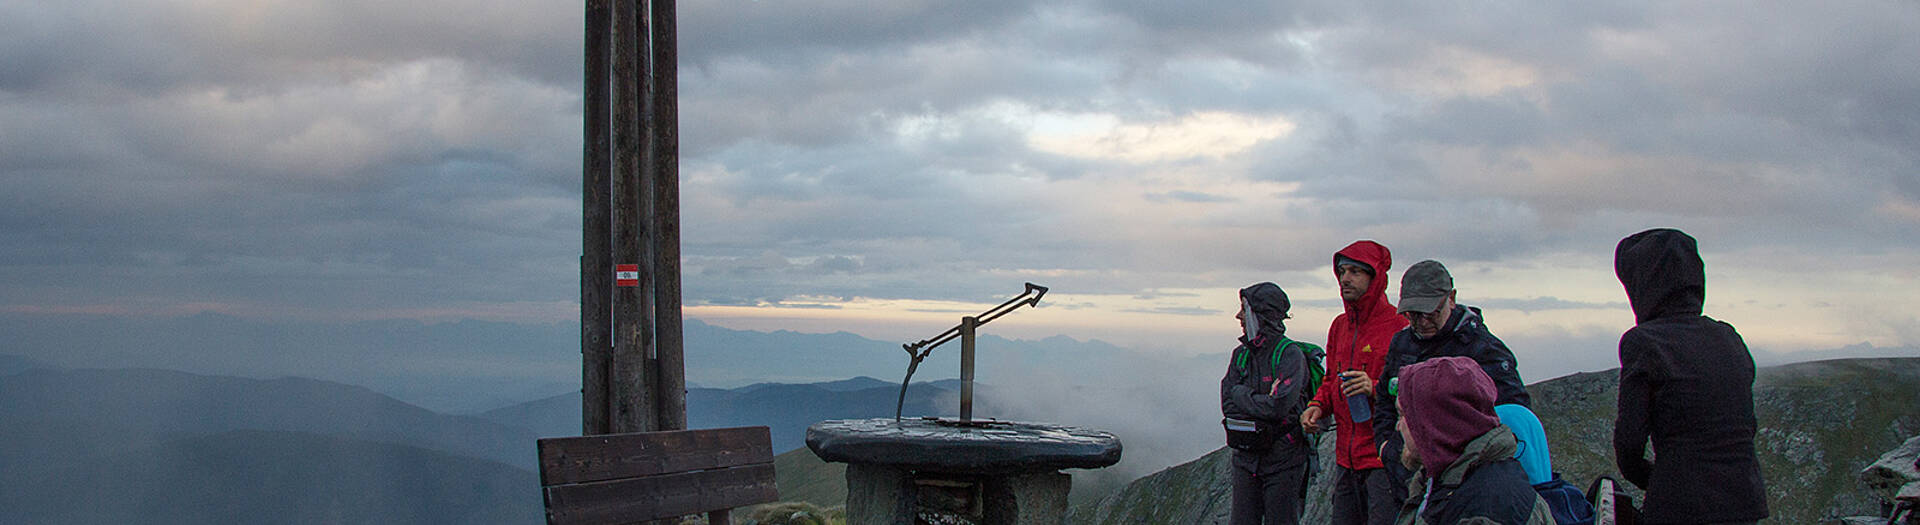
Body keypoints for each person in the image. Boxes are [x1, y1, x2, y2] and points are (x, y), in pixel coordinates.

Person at [1612, 228, 1768, 524]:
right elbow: (1746, 425)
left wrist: (1658, 481)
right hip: (1744, 501)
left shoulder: (1644, 343)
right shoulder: (1728, 336)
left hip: (1682, 506)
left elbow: (1630, 443)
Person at [1373, 259, 1532, 493]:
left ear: (1452, 298)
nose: (1422, 321)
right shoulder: (1402, 343)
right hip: (1406, 479)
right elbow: (1385, 398)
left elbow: (1513, 415)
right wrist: (1386, 447)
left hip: (1463, 486)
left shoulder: (1484, 350)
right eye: (1413, 314)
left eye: (1431, 312)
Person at [1299, 240, 1409, 525]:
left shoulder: (1399, 325)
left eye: (1355, 272)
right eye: (1342, 271)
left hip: (1382, 460)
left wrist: (1373, 387)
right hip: (1346, 459)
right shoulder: (1339, 326)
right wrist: (1317, 406)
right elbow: (1330, 380)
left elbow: (1413, 387)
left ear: (1375, 278)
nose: (1345, 278)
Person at [1391, 356, 1555, 525]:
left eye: (1403, 415)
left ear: (1434, 423)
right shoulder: (1444, 483)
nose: (1397, 427)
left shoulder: (1487, 508)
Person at [1221, 282, 1318, 525]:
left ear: (1261, 315)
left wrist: (1241, 393)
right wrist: (1260, 401)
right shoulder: (1240, 355)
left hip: (1284, 461)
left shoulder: (1289, 355)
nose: (1239, 316)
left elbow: (1279, 407)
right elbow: (1227, 404)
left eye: (1245, 310)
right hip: (1245, 460)